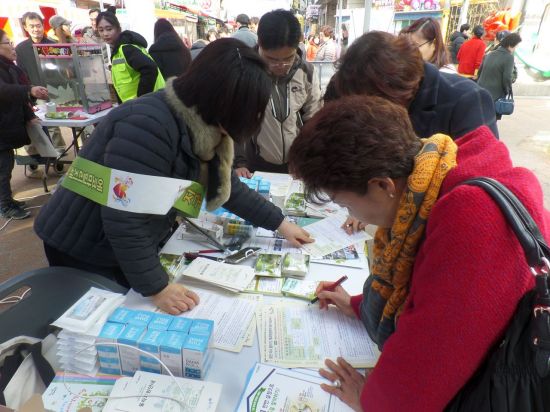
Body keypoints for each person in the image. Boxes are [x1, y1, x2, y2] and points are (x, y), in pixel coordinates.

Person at [288, 94, 550, 411]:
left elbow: (430, 362)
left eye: (345, 203)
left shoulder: (472, 218)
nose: (349, 213)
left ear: (383, 185)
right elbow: (429, 293)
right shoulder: (436, 174)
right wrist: (356, 305)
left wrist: (370, 400)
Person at [34, 39, 312, 315]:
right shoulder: (146, 125)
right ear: (221, 100)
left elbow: (228, 187)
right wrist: (157, 288)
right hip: (84, 244)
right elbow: (125, 219)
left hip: (126, 241)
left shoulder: (207, 123)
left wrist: (280, 224)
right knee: (93, 325)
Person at [325, 31, 498, 140]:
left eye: (372, 101)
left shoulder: (468, 99)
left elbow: (483, 185)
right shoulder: (384, 98)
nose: (368, 112)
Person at [234, 10, 322, 176]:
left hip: (295, 165)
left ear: (298, 44)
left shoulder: (306, 72)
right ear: (259, 43)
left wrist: (308, 160)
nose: (281, 65)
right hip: (253, 165)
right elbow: (234, 122)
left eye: (288, 58)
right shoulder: (244, 72)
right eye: (272, 59)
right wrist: (239, 162)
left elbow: (314, 121)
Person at [0, 29, 48, 219]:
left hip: (8, 126)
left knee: (7, 166)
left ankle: (8, 200)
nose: (12, 46)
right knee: (2, 169)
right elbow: (4, 91)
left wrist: (29, 115)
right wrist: (29, 89)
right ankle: (5, 205)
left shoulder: (9, 66)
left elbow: (19, 98)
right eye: (7, 43)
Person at [15, 12, 65, 163]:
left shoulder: (52, 45)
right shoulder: (21, 49)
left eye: (38, 25)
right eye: (32, 26)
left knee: (53, 124)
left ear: (43, 26)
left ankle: (59, 152)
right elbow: (21, 73)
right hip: (32, 93)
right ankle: (38, 155)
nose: (36, 29)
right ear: (25, 27)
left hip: (54, 91)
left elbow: (61, 70)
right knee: (35, 125)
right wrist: (30, 90)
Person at [96, 11, 165, 103]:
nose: (105, 34)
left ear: (118, 29)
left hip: (149, 104)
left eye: (109, 29)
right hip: (137, 106)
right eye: (101, 30)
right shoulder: (118, 51)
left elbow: (150, 68)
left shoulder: (127, 48)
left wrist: (141, 99)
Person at [477, 33, 522, 119]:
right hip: (495, 95)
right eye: (516, 46)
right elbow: (507, 77)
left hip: (480, 90)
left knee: (479, 118)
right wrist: (508, 91)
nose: (516, 48)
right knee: (490, 120)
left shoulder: (490, 54)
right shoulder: (509, 57)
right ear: (510, 45)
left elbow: (480, 72)